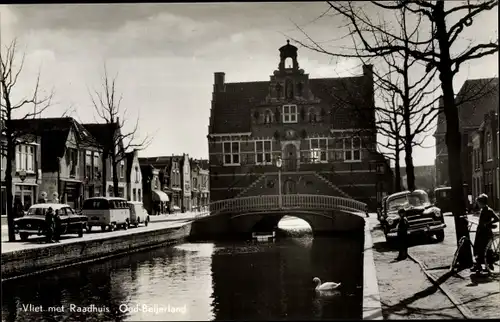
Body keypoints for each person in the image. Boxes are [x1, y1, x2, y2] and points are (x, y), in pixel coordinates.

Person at [472, 194, 500, 272]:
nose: (477, 204)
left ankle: (484, 265)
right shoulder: (483, 209)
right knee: (479, 248)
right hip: (480, 231)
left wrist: (487, 223)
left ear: (482, 203)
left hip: (485, 232)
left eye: (478, 202)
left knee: (484, 249)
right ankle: (483, 265)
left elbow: (497, 219)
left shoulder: (488, 210)